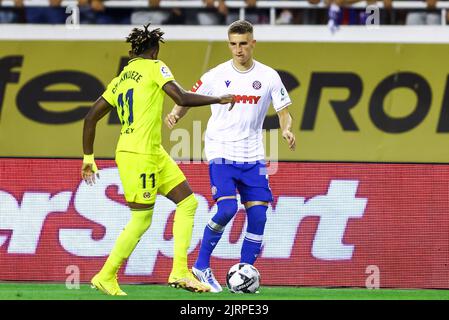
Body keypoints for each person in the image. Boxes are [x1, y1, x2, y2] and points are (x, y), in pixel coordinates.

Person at [81, 23, 235, 296]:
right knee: (141, 219)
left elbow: (91, 116)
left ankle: (179, 271)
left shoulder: (122, 78)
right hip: (139, 154)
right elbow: (181, 97)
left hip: (151, 151)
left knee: (187, 202)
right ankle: (106, 275)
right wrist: (219, 99)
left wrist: (88, 157)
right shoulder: (155, 67)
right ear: (153, 51)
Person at [165, 20, 296, 293]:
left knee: (258, 216)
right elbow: (189, 96)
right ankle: (200, 265)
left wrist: (286, 130)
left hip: (254, 155)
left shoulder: (269, 76)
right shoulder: (217, 74)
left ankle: (245, 273)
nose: (238, 50)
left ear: (253, 43)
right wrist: (177, 113)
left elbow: (284, 110)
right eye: (234, 44)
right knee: (227, 209)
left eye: (243, 44)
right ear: (229, 44)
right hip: (221, 150)